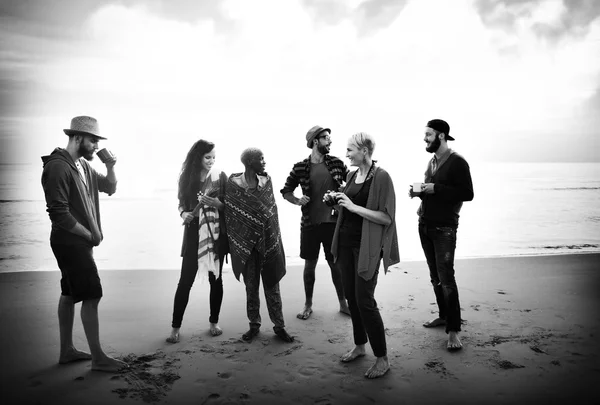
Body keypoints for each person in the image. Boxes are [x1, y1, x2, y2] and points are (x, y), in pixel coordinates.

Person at [41, 115, 126, 372]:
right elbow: (58, 213)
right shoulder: (58, 167)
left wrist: (111, 165)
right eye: (92, 140)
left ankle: (66, 351)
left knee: (69, 294)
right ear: (77, 137)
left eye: (98, 140)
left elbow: (110, 188)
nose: (95, 145)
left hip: (77, 242)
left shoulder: (83, 167)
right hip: (70, 241)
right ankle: (98, 358)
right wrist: (88, 235)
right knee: (92, 294)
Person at [330, 132, 399, 379]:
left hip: (367, 248)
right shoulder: (351, 175)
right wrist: (337, 200)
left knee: (365, 300)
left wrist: (353, 206)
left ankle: (382, 357)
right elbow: (348, 205)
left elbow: (386, 217)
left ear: (365, 151)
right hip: (346, 245)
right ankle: (360, 345)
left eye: (350, 149)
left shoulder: (381, 177)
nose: (346, 153)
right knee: (351, 296)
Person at [409, 119, 474, 351]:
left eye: (428, 134)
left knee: (447, 279)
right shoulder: (432, 161)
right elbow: (432, 190)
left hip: (445, 228)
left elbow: (467, 193)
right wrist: (419, 194)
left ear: (442, 136)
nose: (424, 138)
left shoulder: (457, 161)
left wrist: (435, 189)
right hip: (424, 224)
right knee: (435, 276)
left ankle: (454, 330)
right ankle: (443, 316)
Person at [224, 148, 294, 343]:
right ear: (249, 162)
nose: (264, 162)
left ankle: (279, 326)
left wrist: (272, 237)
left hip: (267, 240)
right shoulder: (234, 184)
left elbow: (271, 210)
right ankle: (254, 325)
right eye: (260, 159)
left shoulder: (266, 181)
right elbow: (231, 211)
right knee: (251, 286)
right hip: (247, 245)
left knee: (272, 285)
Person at [280, 125, 350, 320]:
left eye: (329, 137)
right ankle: (308, 305)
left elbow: (352, 185)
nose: (330, 141)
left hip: (333, 223)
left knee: (336, 265)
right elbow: (286, 191)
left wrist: (343, 192)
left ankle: (343, 304)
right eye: (326, 138)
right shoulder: (300, 167)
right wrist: (296, 200)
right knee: (309, 266)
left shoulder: (337, 163)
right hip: (309, 224)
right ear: (315, 141)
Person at [167, 140, 229, 343]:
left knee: (216, 280)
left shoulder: (220, 177)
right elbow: (181, 204)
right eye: (207, 157)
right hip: (193, 233)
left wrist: (217, 203)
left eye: (214, 157)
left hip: (215, 233)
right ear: (198, 157)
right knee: (185, 281)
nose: (211, 161)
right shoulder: (187, 178)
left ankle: (213, 322)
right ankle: (175, 327)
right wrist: (183, 213)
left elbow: (230, 205)